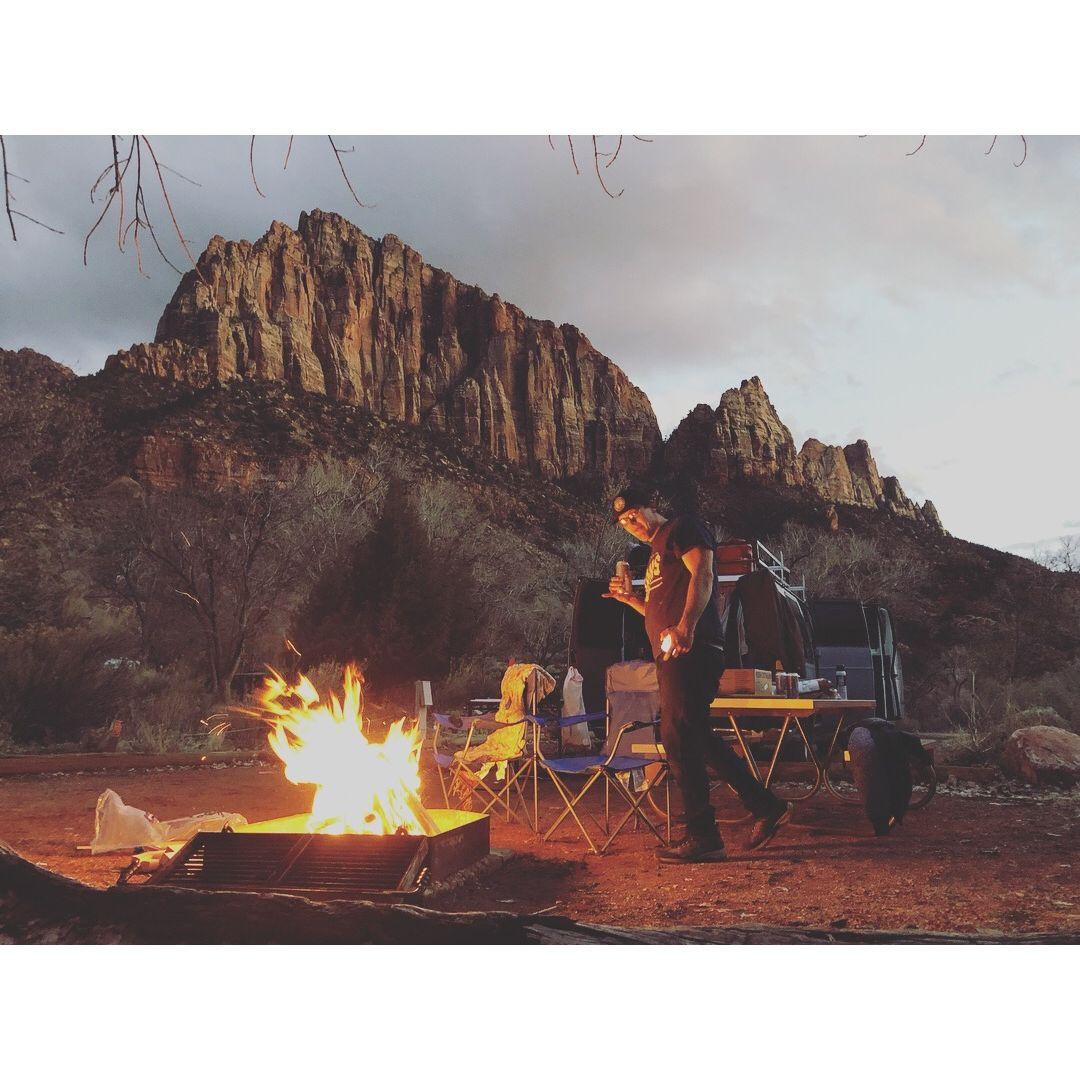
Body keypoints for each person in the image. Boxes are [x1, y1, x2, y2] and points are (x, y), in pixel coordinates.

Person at [604, 484, 791, 863]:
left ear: (652, 506)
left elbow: (703, 574)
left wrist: (687, 627)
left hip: (691, 649)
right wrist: (630, 600)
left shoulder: (682, 528)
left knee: (676, 737)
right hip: (674, 650)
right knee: (696, 736)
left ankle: (703, 835)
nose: (632, 523)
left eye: (635, 513)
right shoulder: (655, 553)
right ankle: (766, 807)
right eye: (624, 522)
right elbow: (659, 612)